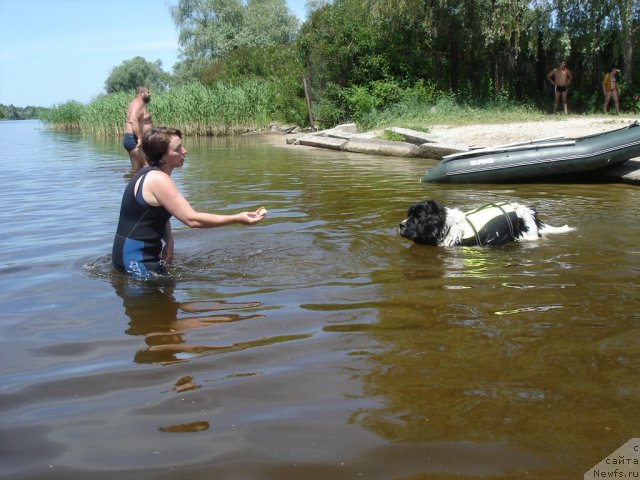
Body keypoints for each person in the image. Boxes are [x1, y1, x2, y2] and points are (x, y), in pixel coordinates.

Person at [112, 127, 267, 278]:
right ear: (163, 157)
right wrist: (237, 218)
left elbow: (160, 213)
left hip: (129, 253)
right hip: (134, 259)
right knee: (156, 300)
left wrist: (170, 241)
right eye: (178, 149)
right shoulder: (158, 180)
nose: (184, 151)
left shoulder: (150, 173)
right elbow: (192, 219)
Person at [123, 86, 153, 172]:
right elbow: (132, 120)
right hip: (134, 140)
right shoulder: (137, 104)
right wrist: (139, 138)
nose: (149, 94)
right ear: (141, 93)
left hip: (133, 140)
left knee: (136, 170)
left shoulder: (139, 104)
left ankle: (133, 184)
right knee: (147, 166)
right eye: (148, 92)